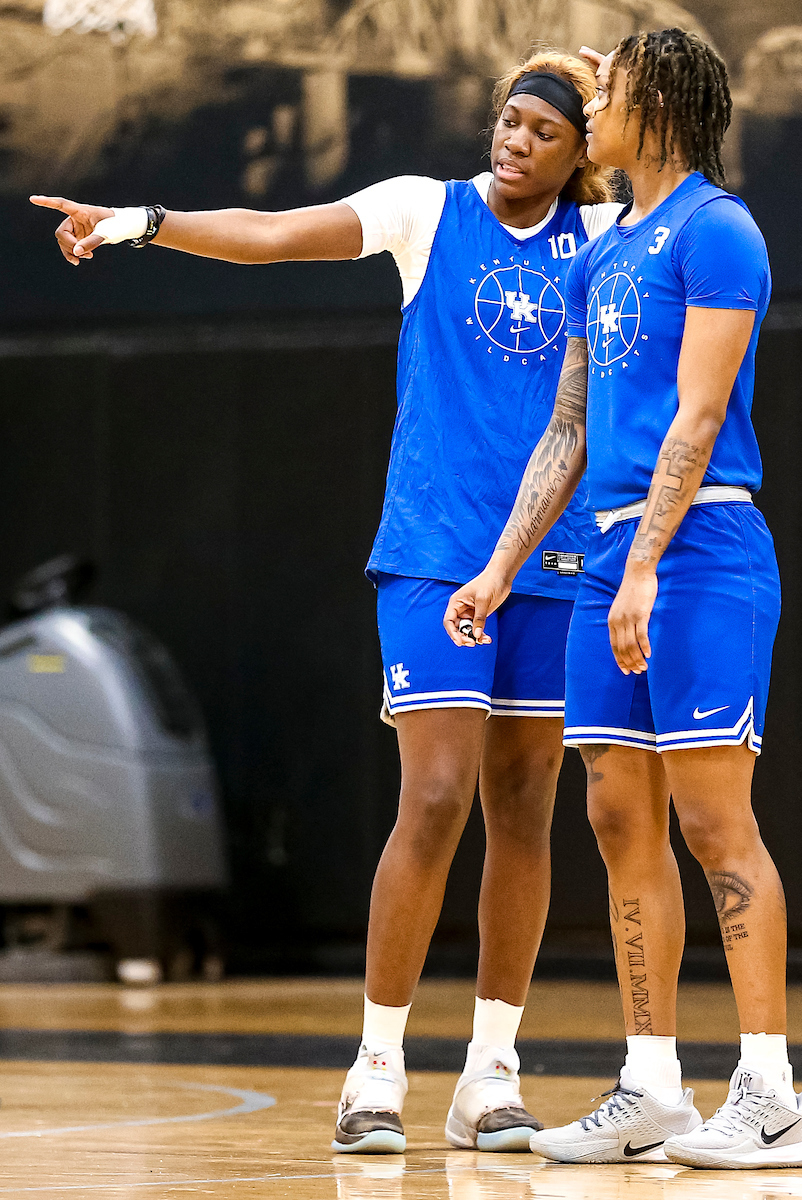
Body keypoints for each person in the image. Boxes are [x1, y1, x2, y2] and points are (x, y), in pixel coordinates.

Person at [31, 52, 623, 1155]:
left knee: (528, 810)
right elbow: (268, 231)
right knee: (436, 795)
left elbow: (692, 189)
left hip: (553, 560)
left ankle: (491, 1073)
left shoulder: (606, 242)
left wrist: (621, 79)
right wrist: (141, 221)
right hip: (437, 551)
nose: (515, 140)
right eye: (507, 118)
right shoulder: (422, 213)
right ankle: (377, 1069)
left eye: (545, 131)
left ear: (584, 151)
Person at [443, 29, 802, 1170]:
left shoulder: (720, 231)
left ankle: (772, 1094)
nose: (587, 106)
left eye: (604, 90)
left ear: (653, 104)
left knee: (715, 821)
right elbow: (568, 428)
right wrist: (501, 569)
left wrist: (651, 561)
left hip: (700, 542)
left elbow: (699, 419)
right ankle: (653, 1083)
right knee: (617, 816)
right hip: (604, 558)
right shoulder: (601, 254)